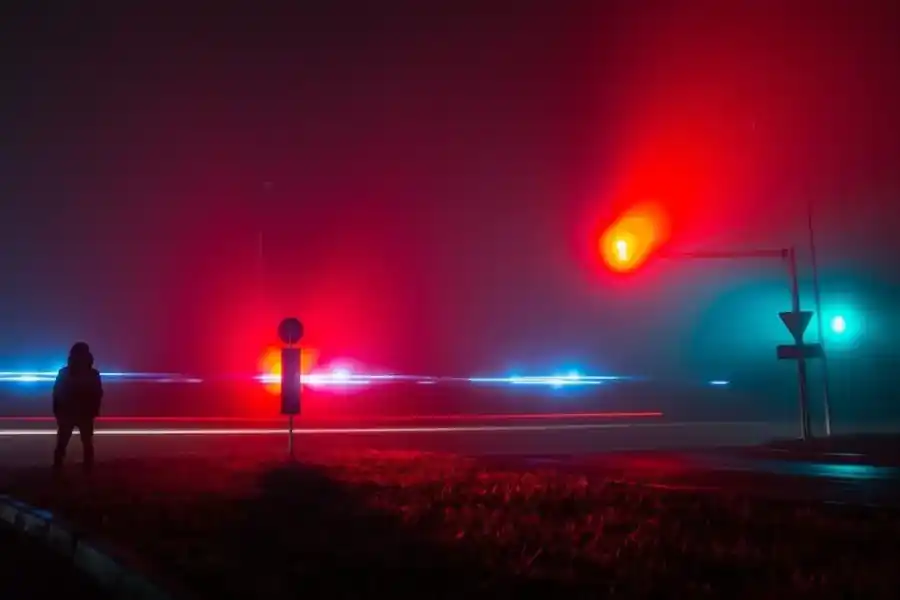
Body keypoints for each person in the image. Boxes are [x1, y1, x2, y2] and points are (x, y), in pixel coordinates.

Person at [52, 342, 103, 473]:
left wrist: (57, 411)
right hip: (84, 412)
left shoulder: (64, 373)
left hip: (67, 411)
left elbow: (57, 392)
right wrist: (94, 410)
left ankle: (57, 469)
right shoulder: (92, 374)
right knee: (86, 442)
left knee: (62, 443)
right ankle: (88, 469)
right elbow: (97, 393)